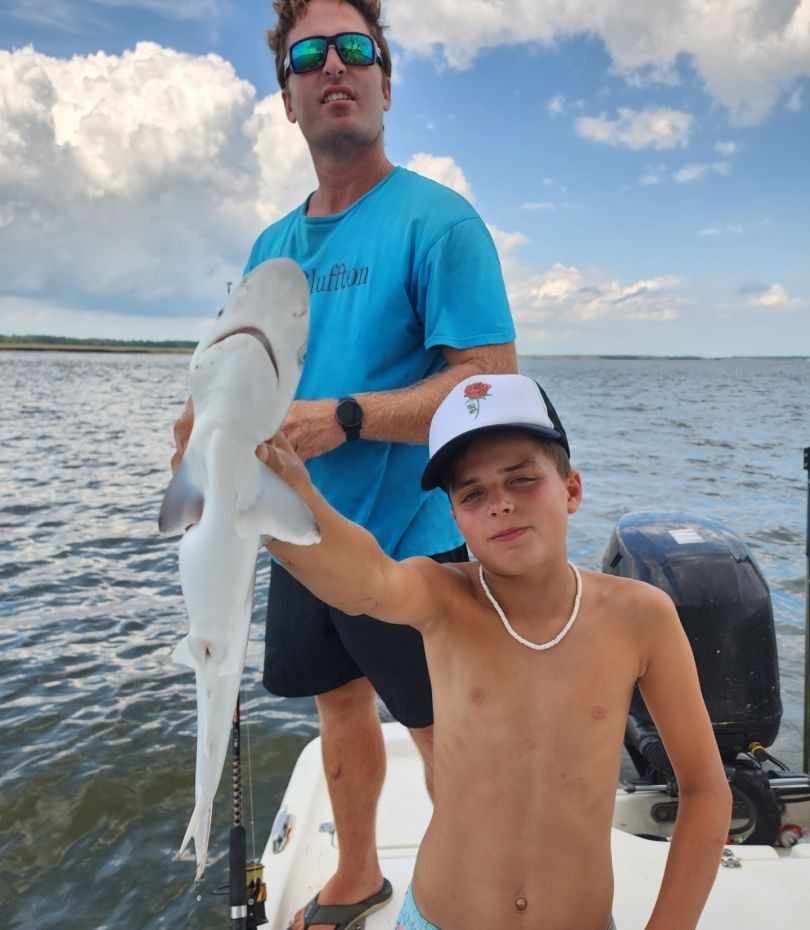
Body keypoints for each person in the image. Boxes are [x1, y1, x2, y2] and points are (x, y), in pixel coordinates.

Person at [171, 2, 517, 927]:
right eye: (307, 54)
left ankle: (474, 902)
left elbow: (490, 386)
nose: (333, 66)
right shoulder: (269, 247)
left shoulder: (439, 223)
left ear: (385, 82)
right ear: (286, 97)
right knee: (339, 707)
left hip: (412, 545)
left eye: (355, 49)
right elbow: (235, 374)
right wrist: (199, 426)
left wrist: (351, 417)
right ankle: (357, 875)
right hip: (299, 538)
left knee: (446, 735)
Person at [258, 373, 733, 930]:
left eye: (522, 479)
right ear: (455, 518)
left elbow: (704, 790)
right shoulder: (441, 597)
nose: (500, 505)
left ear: (572, 489)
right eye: (473, 494)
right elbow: (363, 577)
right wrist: (270, 487)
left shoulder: (642, 616)